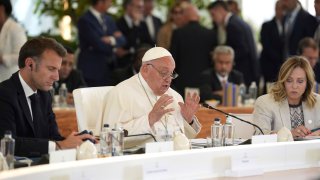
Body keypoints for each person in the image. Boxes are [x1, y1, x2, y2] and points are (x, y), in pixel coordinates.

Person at [0, 37, 94, 157]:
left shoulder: (45, 95)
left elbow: (53, 137)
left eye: (57, 70)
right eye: (51, 69)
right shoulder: (4, 93)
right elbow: (7, 143)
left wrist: (78, 140)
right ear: (30, 65)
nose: (57, 77)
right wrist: (59, 145)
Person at [103, 47, 201, 145]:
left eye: (171, 74)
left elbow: (183, 141)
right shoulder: (121, 93)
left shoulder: (175, 97)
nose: (168, 79)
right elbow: (110, 139)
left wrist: (188, 120)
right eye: (164, 73)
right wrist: (150, 119)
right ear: (146, 69)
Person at [253, 56, 320, 138]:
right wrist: (289, 134)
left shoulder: (318, 101)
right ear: (282, 81)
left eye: (300, 81)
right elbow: (259, 136)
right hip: (278, 151)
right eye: (289, 80)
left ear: (307, 83)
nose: (294, 86)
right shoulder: (264, 102)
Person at [207, 1, 259, 87]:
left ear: (220, 10)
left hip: (245, 73)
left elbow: (242, 49)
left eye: (213, 15)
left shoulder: (232, 25)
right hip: (251, 72)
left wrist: (223, 57)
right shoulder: (238, 21)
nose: (213, 19)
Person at [171, 2, 216, 96]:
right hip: (204, 83)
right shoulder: (210, 34)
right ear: (198, 17)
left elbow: (173, 60)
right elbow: (213, 60)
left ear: (185, 17)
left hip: (182, 83)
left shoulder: (178, 33)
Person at [77, 0, 126, 87]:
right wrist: (115, 44)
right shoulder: (85, 20)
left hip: (109, 70)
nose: (111, 4)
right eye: (109, 1)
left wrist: (111, 39)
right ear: (100, 2)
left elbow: (122, 39)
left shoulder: (109, 19)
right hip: (92, 71)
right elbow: (99, 45)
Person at [116, 0, 153, 68]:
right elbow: (126, 44)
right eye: (139, 7)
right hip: (124, 66)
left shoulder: (142, 24)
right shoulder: (118, 23)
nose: (142, 9)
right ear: (129, 7)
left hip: (141, 66)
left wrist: (130, 50)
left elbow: (149, 43)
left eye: (142, 7)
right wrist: (135, 25)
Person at [260, 0, 285, 92]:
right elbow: (266, 46)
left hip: (284, 65)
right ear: (275, 9)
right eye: (280, 8)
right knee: (269, 91)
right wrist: (280, 60)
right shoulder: (267, 25)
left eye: (284, 9)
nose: (282, 11)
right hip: (270, 65)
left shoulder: (288, 25)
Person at [0, 0, 27, 82]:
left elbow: (23, 55)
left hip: (10, 80)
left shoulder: (15, 28)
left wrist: (2, 59)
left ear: (1, 9)